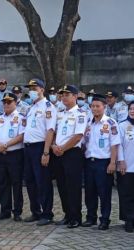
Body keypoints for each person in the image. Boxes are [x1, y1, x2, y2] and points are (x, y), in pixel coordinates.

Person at [82, 94, 120, 230]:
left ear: (104, 107)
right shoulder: (88, 122)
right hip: (89, 162)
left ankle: (104, 219)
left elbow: (114, 144)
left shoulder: (110, 123)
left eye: (98, 106)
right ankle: (90, 217)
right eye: (93, 106)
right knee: (89, 192)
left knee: (104, 193)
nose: (95, 109)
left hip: (103, 163)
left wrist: (112, 162)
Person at [52, 85, 87, 228]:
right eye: (62, 95)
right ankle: (67, 214)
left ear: (75, 96)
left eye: (67, 94)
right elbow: (54, 133)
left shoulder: (80, 114)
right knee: (62, 185)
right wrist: (54, 146)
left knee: (73, 186)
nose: (64, 97)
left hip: (72, 153)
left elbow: (78, 136)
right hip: (58, 153)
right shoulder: (60, 113)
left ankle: (75, 217)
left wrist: (63, 149)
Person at [22, 79, 56, 226]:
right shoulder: (32, 107)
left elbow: (50, 130)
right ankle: (35, 211)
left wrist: (46, 152)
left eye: (34, 88)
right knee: (30, 181)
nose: (31, 91)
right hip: (28, 148)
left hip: (40, 147)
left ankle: (47, 213)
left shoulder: (48, 107)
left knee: (43, 181)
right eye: (30, 88)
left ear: (42, 89)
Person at [0, 93, 25, 222]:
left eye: (9, 102)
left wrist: (5, 145)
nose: (6, 104)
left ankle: (17, 211)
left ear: (15, 103)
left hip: (15, 154)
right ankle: (4, 210)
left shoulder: (21, 118)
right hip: (0, 154)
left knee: (16, 183)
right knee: (2, 183)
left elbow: (21, 136)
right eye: (4, 102)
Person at [117, 100, 134, 232]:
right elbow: (119, 145)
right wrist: (121, 161)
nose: (133, 111)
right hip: (126, 166)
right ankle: (127, 219)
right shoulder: (122, 125)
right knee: (126, 194)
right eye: (131, 109)